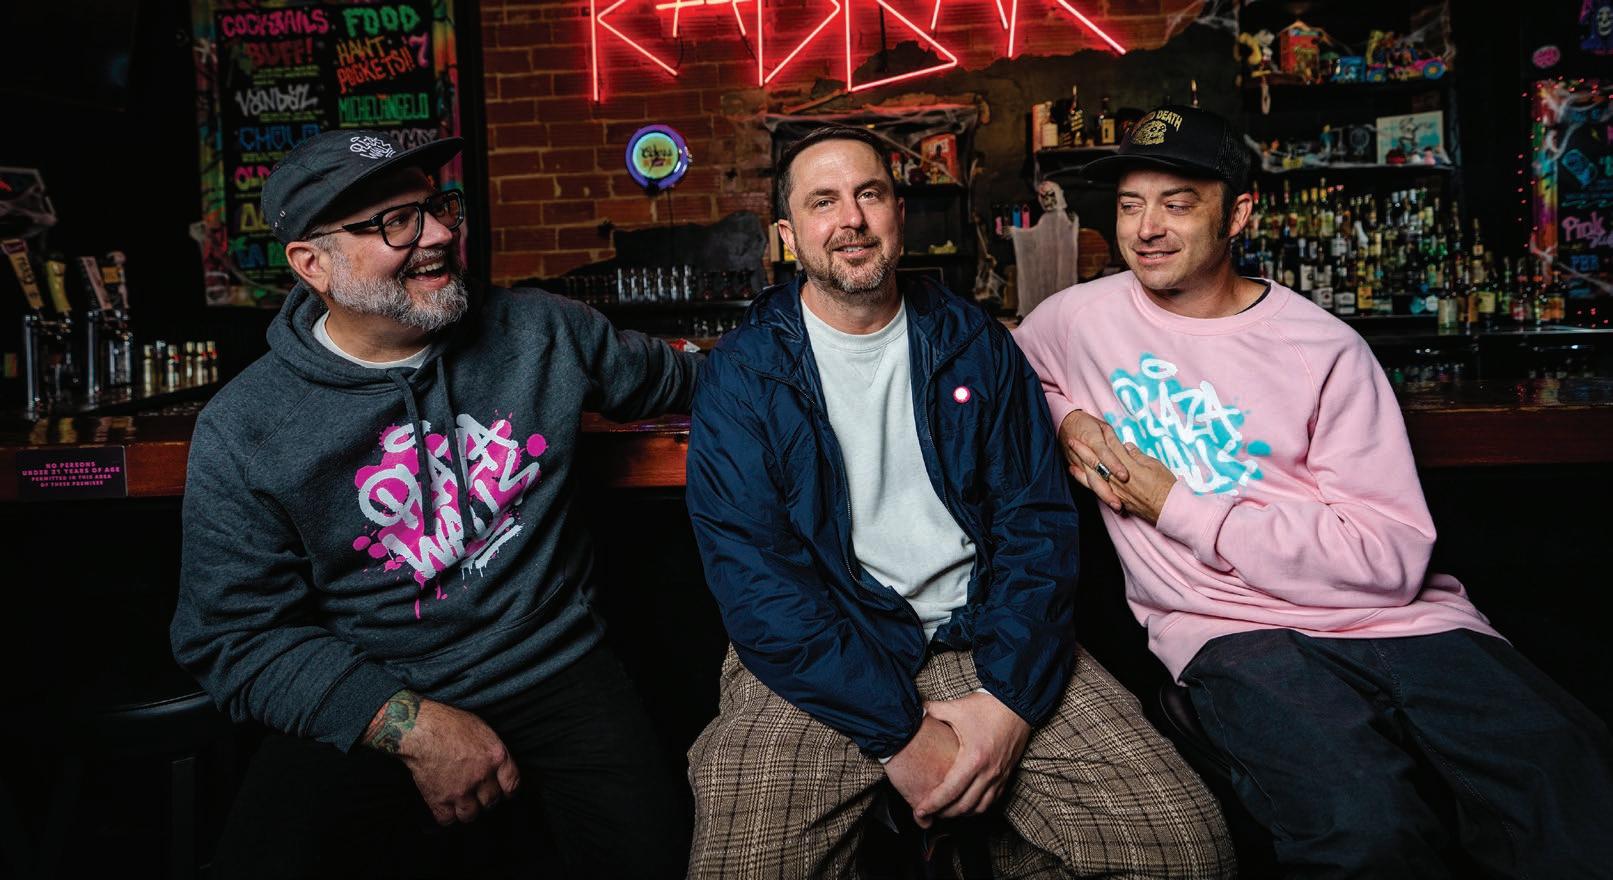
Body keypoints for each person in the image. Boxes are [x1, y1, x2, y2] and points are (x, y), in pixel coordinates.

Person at [1014, 105, 1613, 877]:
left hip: (1401, 620)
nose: (1146, 229)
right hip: (1230, 630)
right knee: (1365, 830)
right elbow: (1005, 374)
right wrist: (1067, 420)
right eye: (1130, 205)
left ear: (1238, 214)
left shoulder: (1323, 348)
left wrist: (1178, 507)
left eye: (1177, 204)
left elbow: (1388, 558)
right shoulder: (1077, 319)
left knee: (1574, 791)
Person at [683, 125, 1234, 879]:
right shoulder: (743, 374)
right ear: (787, 234)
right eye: (823, 202)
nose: (851, 219)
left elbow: (1036, 528)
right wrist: (900, 737)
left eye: (868, 194)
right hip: (823, 653)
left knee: (1187, 848)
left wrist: (1008, 705)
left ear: (898, 212)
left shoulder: (974, 342)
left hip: (983, 635)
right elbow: (757, 583)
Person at [170, 129, 698, 878]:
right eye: (396, 222)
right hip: (376, 685)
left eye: (438, 207)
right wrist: (411, 727)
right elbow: (234, 636)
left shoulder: (541, 330)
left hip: (558, 668)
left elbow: (694, 382)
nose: (441, 234)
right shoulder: (245, 426)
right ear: (312, 264)